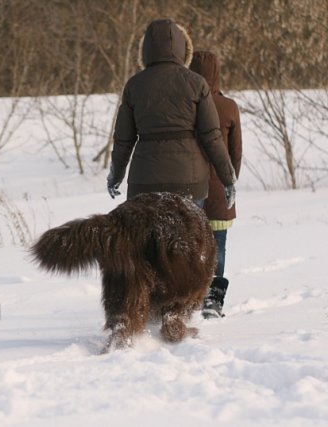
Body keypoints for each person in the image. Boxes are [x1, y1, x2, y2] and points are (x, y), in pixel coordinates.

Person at [107, 19, 236, 210]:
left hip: (144, 182)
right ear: (183, 49)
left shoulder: (134, 86)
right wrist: (228, 179)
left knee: (146, 239)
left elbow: (123, 140)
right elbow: (212, 136)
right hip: (189, 182)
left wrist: (115, 176)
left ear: (146, 50)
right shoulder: (196, 83)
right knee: (187, 239)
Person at [189, 51, 243, 319]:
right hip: (220, 187)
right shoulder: (229, 106)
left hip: (189, 184)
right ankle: (213, 300)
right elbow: (236, 152)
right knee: (218, 244)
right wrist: (230, 181)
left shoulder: (186, 104)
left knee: (191, 244)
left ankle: (190, 296)